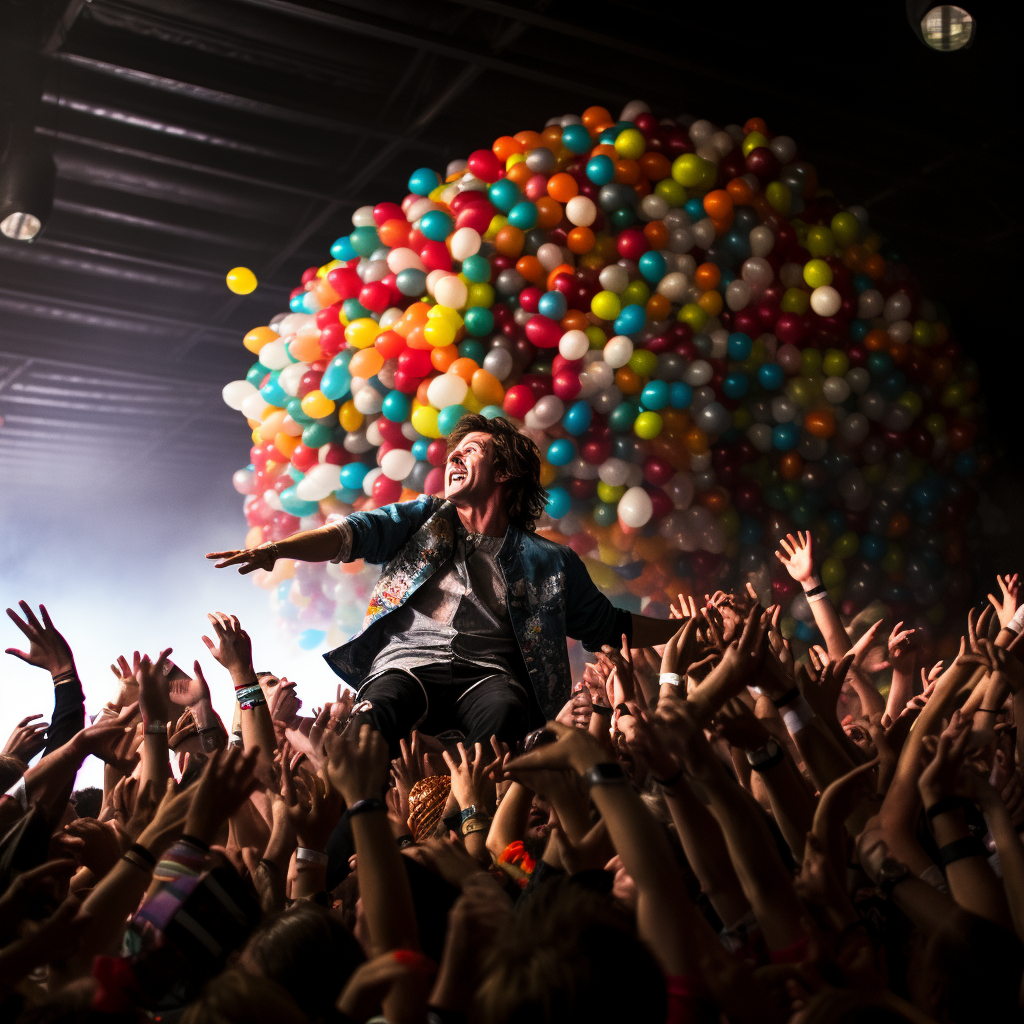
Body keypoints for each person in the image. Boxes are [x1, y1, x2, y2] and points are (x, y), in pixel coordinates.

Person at [208, 414, 681, 751]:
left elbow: (607, 625)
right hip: (406, 665)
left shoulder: (550, 561)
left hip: (489, 675)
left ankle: (477, 839)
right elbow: (352, 534)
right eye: (453, 452)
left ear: (504, 472)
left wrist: (685, 632)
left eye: (470, 451)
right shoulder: (423, 519)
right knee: (375, 718)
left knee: (506, 715)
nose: (453, 457)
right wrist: (278, 549)